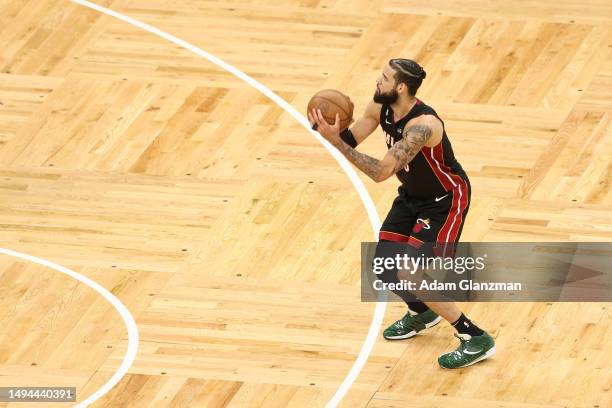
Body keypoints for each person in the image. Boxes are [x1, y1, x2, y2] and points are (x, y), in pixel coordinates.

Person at [308, 58, 495, 369]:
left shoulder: (423, 126)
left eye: (384, 78)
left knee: (413, 273)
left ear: (401, 87)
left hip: (444, 200)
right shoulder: (381, 106)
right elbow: (350, 141)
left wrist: (335, 143)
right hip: (412, 196)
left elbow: (381, 172)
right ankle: (423, 312)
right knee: (383, 266)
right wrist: (330, 132)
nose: (377, 82)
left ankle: (475, 337)